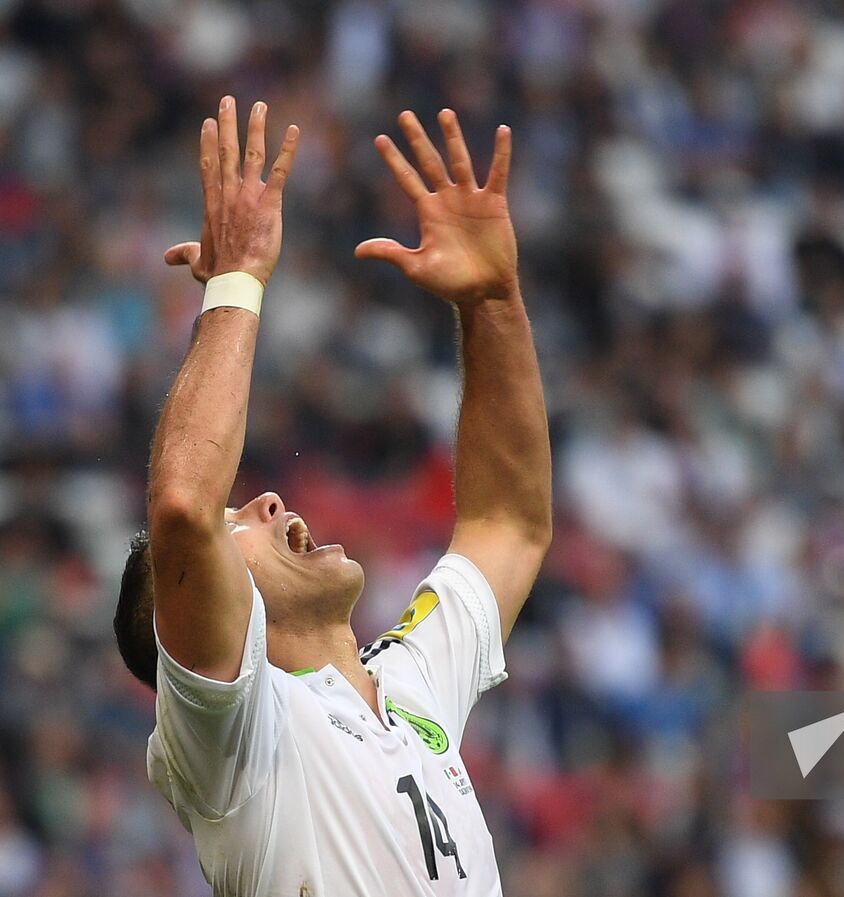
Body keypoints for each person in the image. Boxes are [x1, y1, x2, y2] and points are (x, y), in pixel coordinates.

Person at [111, 96, 552, 896]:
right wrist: (239, 278)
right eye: (235, 522)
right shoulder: (233, 738)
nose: (267, 501)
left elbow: (508, 522)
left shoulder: (410, 682)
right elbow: (180, 506)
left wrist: (492, 303)